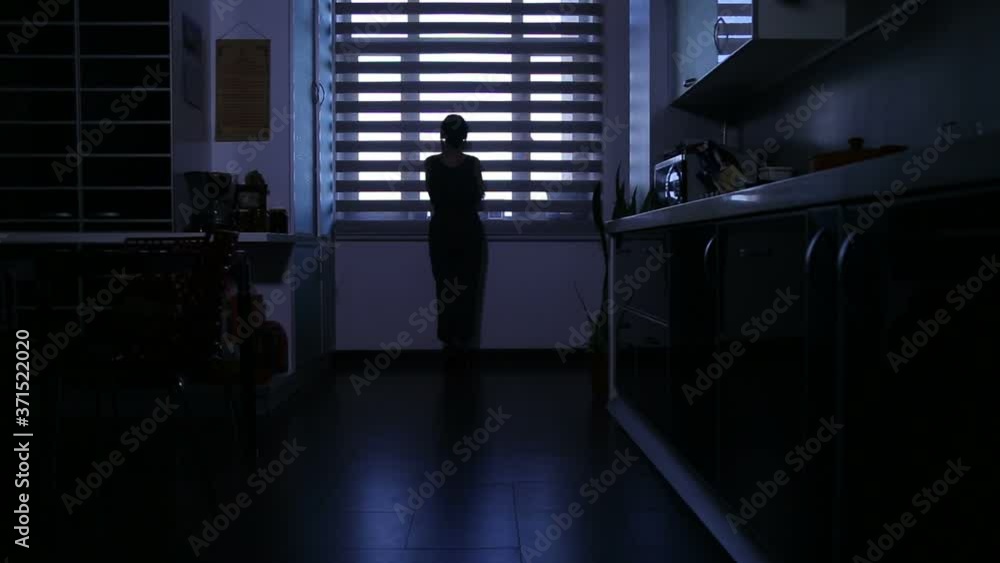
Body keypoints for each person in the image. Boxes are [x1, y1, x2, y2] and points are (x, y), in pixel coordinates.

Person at [425, 114, 487, 373]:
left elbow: (434, 197)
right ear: (465, 137)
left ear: (442, 136)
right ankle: (463, 344)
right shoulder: (472, 163)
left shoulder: (430, 164)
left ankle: (450, 344)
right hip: (468, 232)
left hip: (441, 232)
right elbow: (479, 194)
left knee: (444, 288)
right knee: (469, 288)